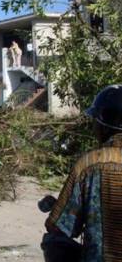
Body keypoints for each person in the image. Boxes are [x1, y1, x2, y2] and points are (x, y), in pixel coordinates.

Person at [42, 84, 122, 262]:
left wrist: (60, 208)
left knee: (53, 241)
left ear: (104, 126)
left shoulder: (89, 164)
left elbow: (58, 226)